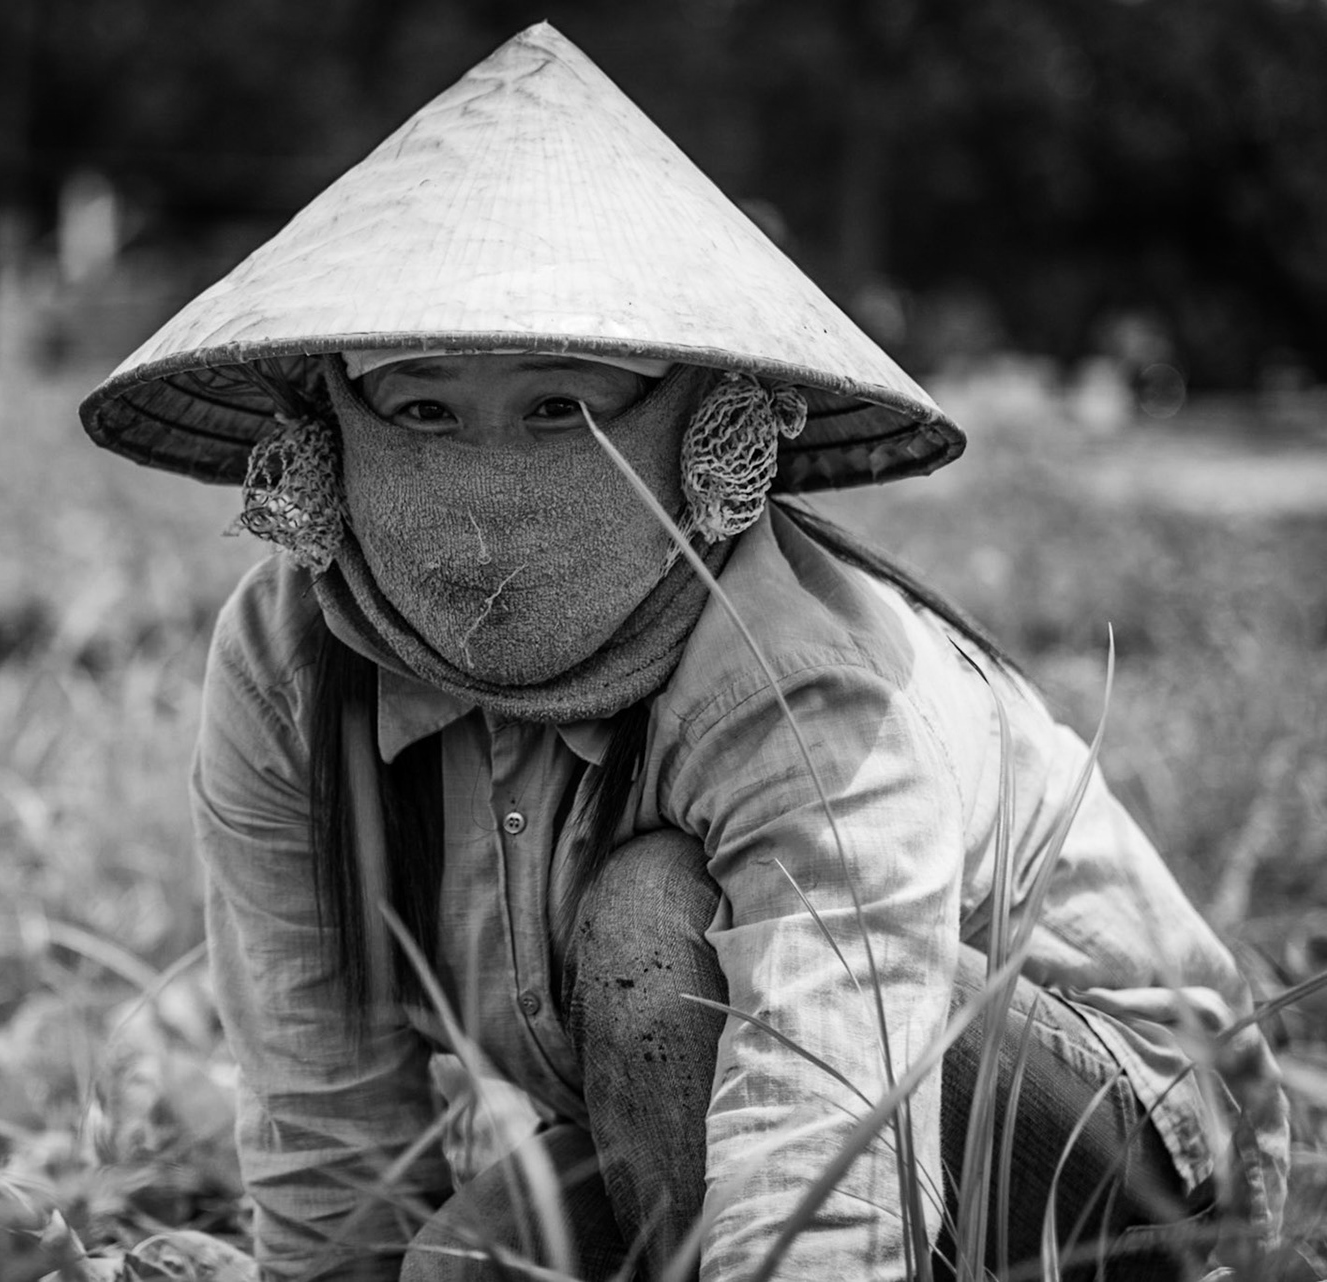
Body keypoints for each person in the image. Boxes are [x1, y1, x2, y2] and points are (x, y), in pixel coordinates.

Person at [78, 24, 1289, 1282]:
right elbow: (328, 1129)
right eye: (422, 408)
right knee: (460, 1266)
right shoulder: (288, 665)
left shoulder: (797, 678)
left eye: (563, 408)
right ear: (330, 435)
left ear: (693, 435)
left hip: (1131, 1138)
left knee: (656, 918)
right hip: (690, 1098)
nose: (490, 491)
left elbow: (821, 1141)